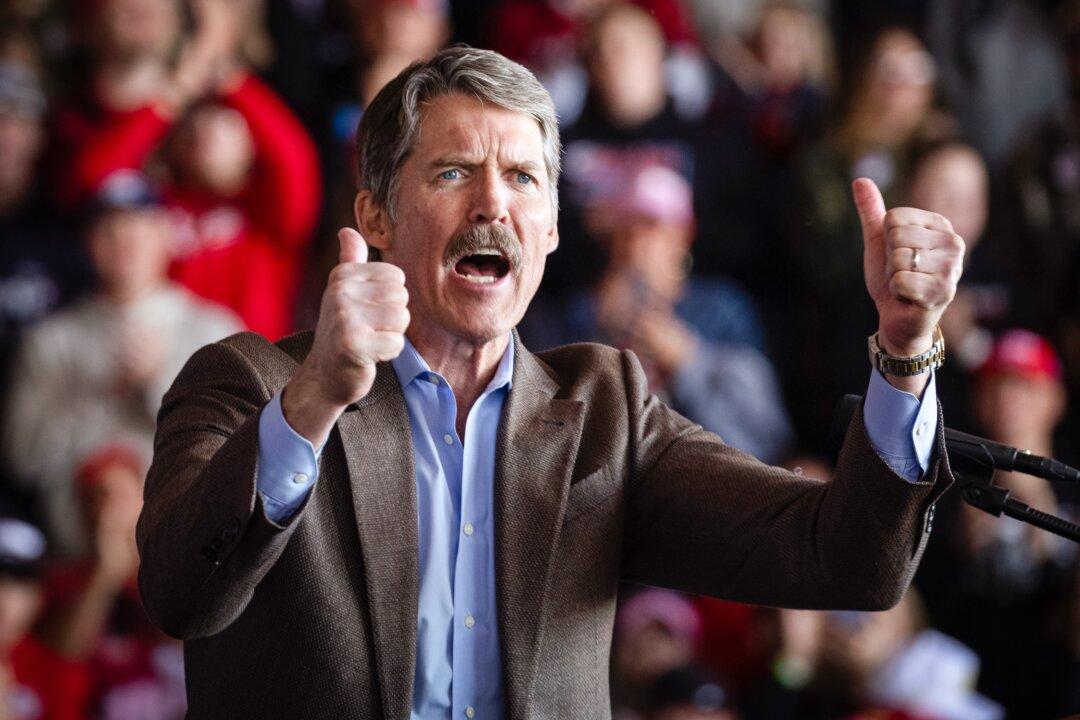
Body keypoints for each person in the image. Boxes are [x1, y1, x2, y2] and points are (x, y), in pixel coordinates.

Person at [137, 47, 964, 717]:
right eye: (454, 172)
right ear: (377, 217)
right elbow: (180, 593)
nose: (494, 204)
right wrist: (314, 401)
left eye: (524, 178)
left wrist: (904, 349)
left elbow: (846, 559)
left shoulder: (605, 409)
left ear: (555, 228)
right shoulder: (249, 383)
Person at [3, 176, 241, 557]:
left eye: (139, 228)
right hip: (72, 555)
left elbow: (239, 453)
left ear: (166, 234)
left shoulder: (212, 330)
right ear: (89, 243)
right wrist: (100, 393)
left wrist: (159, 386)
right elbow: (23, 459)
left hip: (187, 556)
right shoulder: (51, 339)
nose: (125, 242)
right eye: (109, 231)